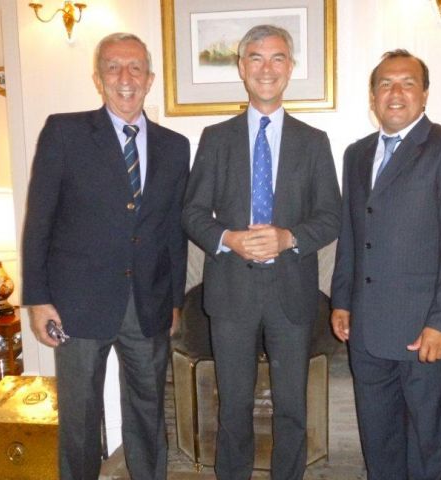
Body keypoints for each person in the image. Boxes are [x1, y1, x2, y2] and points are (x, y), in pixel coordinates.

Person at [22, 32, 189, 479]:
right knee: (79, 419)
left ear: (150, 79)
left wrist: (174, 301)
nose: (125, 77)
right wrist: (38, 300)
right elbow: (38, 221)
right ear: (98, 79)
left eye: (135, 67)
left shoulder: (176, 147)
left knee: (149, 414)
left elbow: (173, 230)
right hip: (76, 305)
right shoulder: (65, 131)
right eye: (113, 67)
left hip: (148, 304)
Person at [182, 24, 341, 480]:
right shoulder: (216, 138)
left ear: (290, 68)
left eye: (277, 58)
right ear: (241, 67)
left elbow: (331, 216)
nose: (266, 68)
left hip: (292, 294)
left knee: (292, 408)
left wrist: (288, 237)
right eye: (256, 58)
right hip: (230, 292)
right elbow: (191, 213)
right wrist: (228, 239)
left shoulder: (314, 142)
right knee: (233, 408)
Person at [330, 49, 441, 480]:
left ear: (425, 94)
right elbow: (351, 233)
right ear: (372, 96)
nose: (395, 93)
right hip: (366, 331)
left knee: (427, 446)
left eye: (407, 83)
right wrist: (341, 300)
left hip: (424, 332)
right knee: (378, 442)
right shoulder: (356, 154)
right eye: (385, 84)